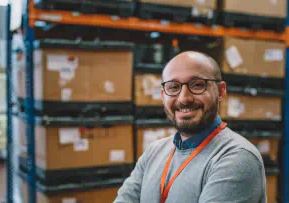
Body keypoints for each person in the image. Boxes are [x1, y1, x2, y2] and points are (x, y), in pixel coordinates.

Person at [114, 51, 267, 203]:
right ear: (163, 96)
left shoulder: (237, 158)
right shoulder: (154, 152)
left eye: (197, 85)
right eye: (173, 87)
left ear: (221, 91)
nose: (184, 98)